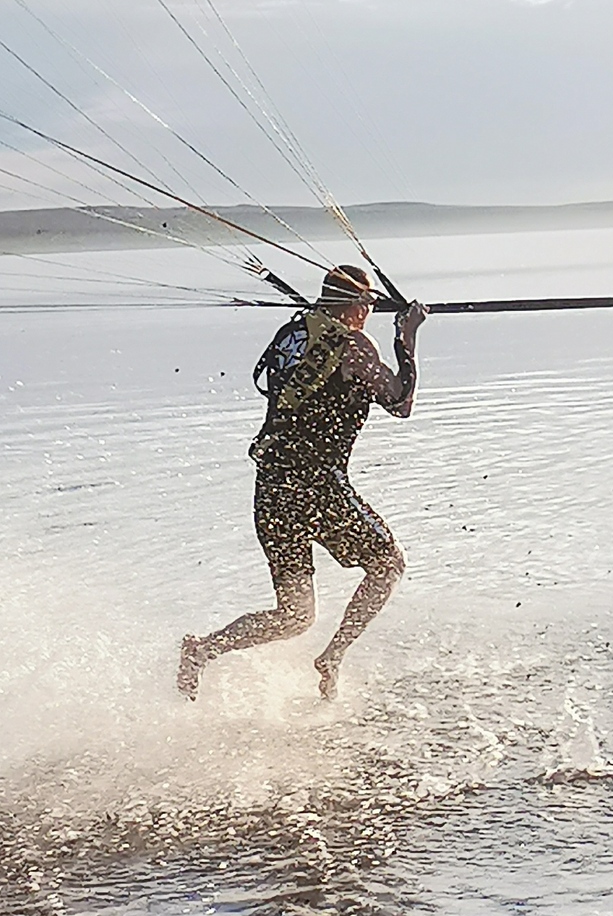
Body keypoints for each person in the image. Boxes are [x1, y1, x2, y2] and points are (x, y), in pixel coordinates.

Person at [178, 264, 427, 703]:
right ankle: (333, 656)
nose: (368, 313)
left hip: (272, 488)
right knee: (388, 564)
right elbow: (400, 402)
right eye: (366, 306)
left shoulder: (290, 336)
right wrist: (405, 338)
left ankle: (202, 649)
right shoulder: (353, 347)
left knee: (294, 615)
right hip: (318, 489)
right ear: (357, 307)